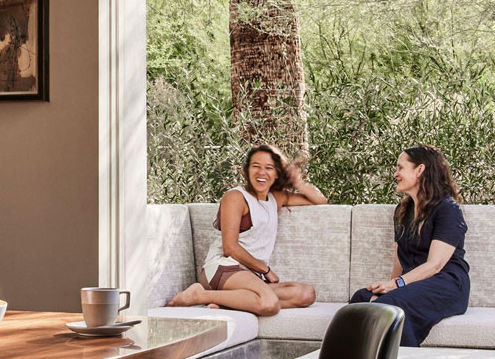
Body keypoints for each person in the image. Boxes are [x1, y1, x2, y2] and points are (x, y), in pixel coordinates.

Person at [169, 143, 326, 316]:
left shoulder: (276, 198)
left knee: (306, 294)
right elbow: (230, 247)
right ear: (247, 170)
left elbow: (320, 200)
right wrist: (265, 270)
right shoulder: (236, 197)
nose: (261, 172)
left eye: (269, 168)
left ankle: (228, 301)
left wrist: (298, 182)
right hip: (224, 268)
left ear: (276, 173)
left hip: (250, 276)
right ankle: (199, 295)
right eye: (256, 166)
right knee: (269, 304)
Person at [351, 144, 469, 346]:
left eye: (400, 168)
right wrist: (392, 284)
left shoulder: (447, 209)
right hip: (413, 283)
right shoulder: (402, 211)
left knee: (390, 306)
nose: (395, 174)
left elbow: (435, 265)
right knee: (360, 299)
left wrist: (397, 286)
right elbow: (400, 259)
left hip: (446, 284)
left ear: (420, 170)